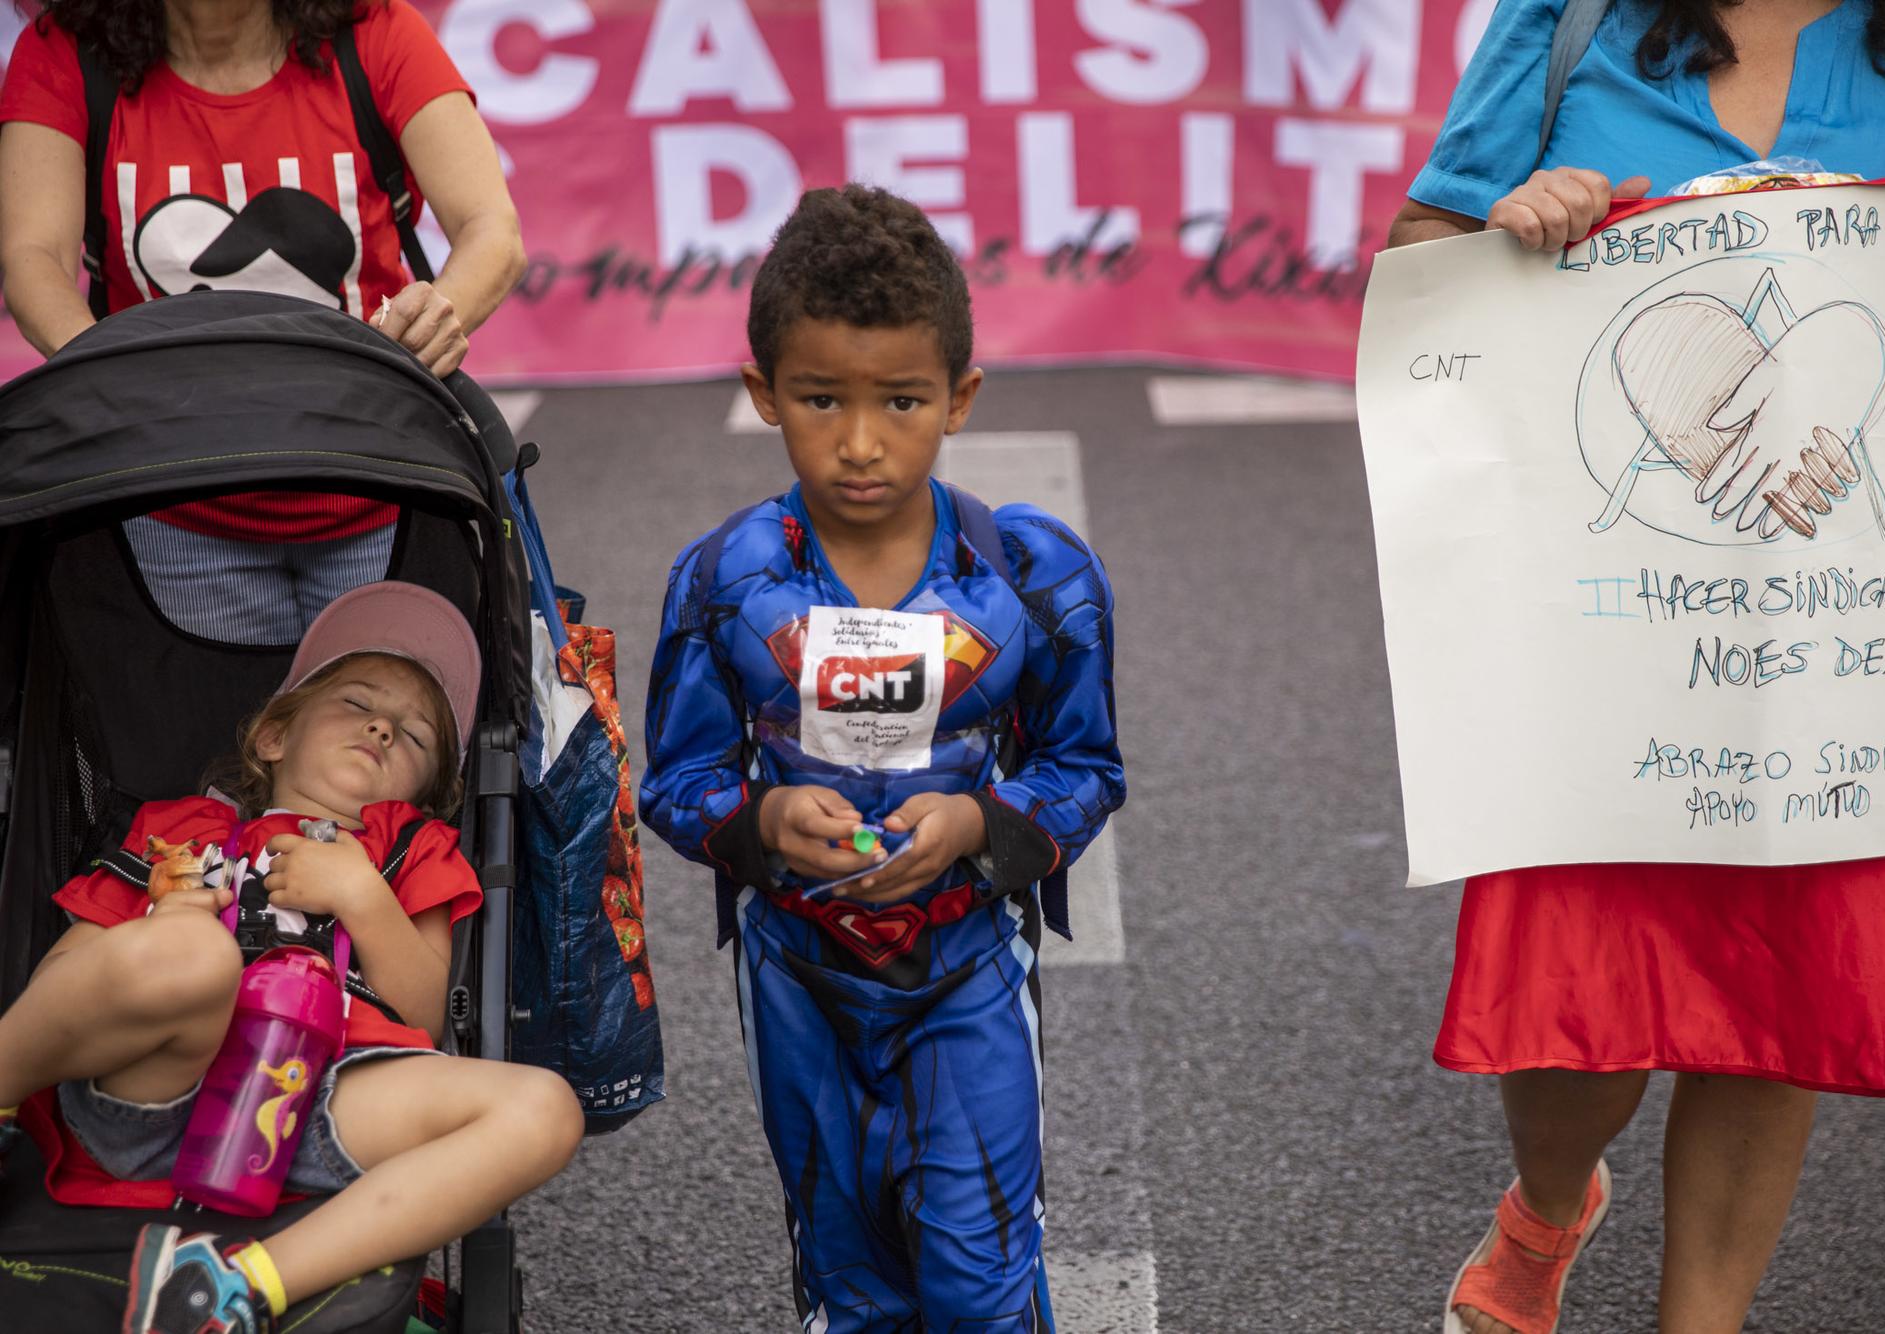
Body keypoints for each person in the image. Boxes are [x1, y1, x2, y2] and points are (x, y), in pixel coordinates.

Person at [1386, 3, 1885, 1333]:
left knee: (1776, 1000)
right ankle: (1547, 1207)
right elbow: (1421, 262)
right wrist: (1510, 227)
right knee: (1578, 1013)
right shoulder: (1568, 22)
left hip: (1851, 649)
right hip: (1604, 643)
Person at [641, 183, 1125, 1330]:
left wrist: (978, 825)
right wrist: (756, 822)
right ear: (763, 393)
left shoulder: (1032, 577)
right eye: (820, 399)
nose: (860, 442)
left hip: (968, 967)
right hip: (793, 973)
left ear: (958, 398)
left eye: (901, 400)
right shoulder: (723, 581)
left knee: (979, 1278)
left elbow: (1085, 766)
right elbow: (673, 779)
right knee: (848, 1283)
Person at [0, 580, 582, 1333]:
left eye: (414, 736)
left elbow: (422, 1016)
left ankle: (228, 1288)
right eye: (356, 703)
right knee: (194, 957)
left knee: (543, 1109)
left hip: (320, 1100)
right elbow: (62, 978)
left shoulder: (411, 851)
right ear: (274, 736)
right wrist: (160, 925)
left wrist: (364, 897)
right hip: (156, 1079)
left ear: (427, 792)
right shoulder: (185, 829)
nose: (381, 729)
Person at [0, 0, 524, 646]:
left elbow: (492, 231)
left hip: (379, 489)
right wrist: (115, 387)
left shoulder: (377, 33)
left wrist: (440, 316)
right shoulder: (64, 53)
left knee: (377, 738)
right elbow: (33, 260)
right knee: (202, 744)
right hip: (169, 503)